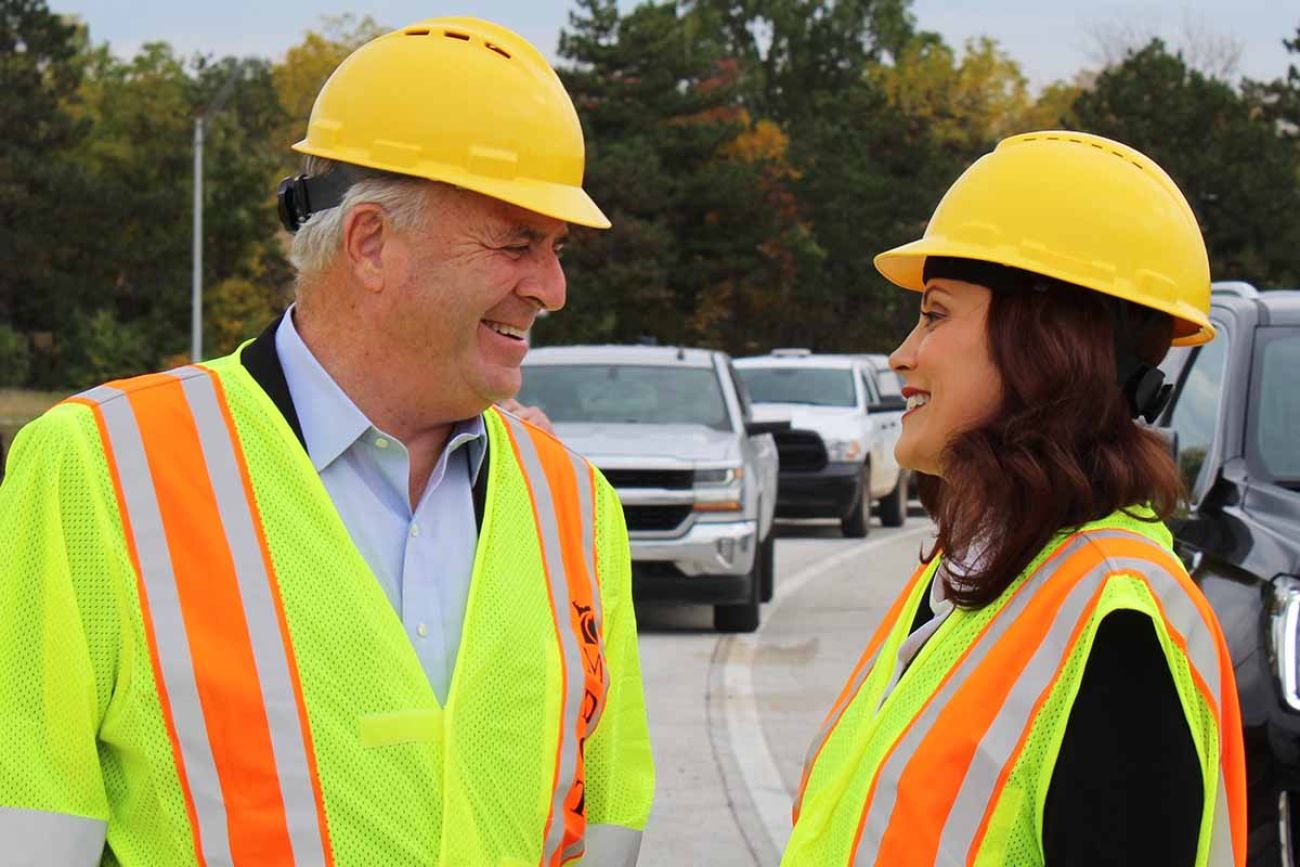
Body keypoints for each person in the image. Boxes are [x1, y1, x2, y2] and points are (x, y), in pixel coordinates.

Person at [0, 17, 653, 865]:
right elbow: (31, 827)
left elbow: (606, 817)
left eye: (556, 248)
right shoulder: (98, 468)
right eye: (518, 242)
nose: (553, 288)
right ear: (370, 241)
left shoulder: (576, 507)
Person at [784, 131, 1245, 866]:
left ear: (1043, 346)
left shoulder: (1117, 623)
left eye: (935, 314)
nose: (901, 352)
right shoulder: (981, 574)